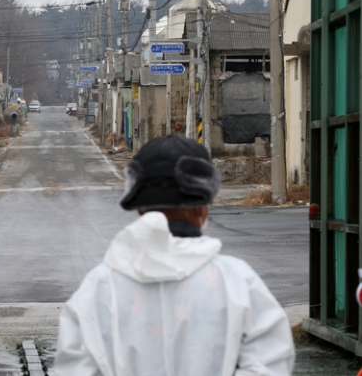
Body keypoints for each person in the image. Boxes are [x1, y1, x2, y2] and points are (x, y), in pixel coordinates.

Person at [54, 135, 295, 376]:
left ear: (139, 207)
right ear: (203, 205)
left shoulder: (97, 289)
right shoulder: (237, 282)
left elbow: (73, 368)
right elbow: (270, 364)